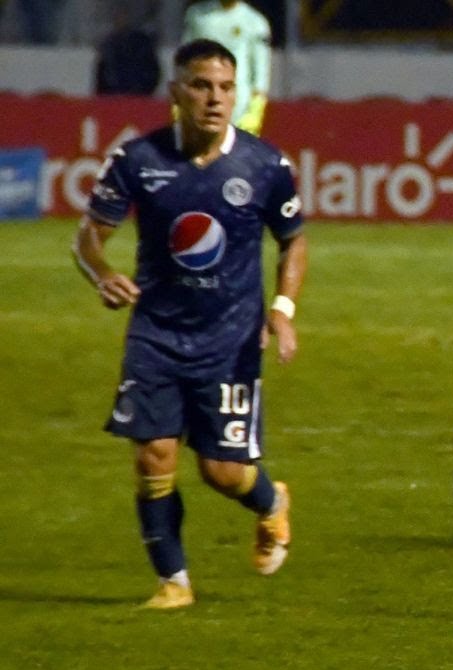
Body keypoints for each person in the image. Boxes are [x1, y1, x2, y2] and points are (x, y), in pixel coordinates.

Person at [73, 38, 308, 610]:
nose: (215, 98)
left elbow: (293, 242)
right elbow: (88, 237)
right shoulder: (137, 160)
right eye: (202, 85)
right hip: (155, 334)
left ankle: (271, 503)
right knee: (153, 454)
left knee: (223, 472)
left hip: (229, 341)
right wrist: (101, 272)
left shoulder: (265, 165)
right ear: (176, 91)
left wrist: (282, 310)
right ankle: (173, 582)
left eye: (226, 87)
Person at [181, 0, 271, 134]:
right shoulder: (198, 16)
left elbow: (261, 69)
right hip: (201, 98)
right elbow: (185, 59)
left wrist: (255, 108)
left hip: (240, 103)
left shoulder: (255, 22)